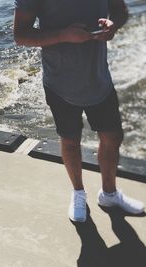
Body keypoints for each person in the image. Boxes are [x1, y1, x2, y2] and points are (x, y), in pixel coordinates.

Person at [13, 0, 145, 222]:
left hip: (99, 79)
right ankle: (78, 192)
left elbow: (120, 10)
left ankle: (109, 194)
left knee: (113, 137)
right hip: (59, 84)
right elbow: (21, 35)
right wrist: (64, 35)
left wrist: (113, 25)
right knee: (71, 141)